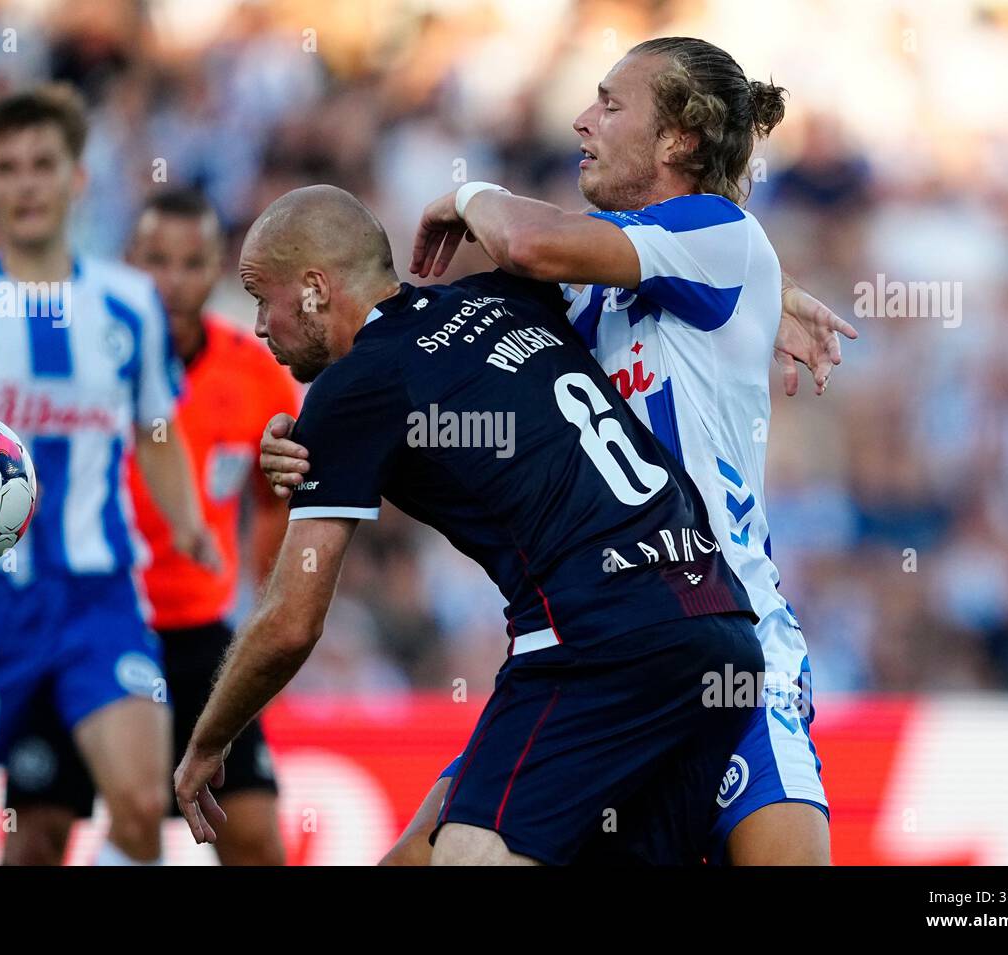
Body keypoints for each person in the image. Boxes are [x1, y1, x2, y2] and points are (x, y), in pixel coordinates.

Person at [261, 37, 855, 866]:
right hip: (605, 647)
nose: (582, 121)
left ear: (678, 138)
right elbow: (426, 368)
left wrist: (468, 192)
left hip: (735, 642)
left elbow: (532, 241)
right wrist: (313, 441)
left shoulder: (715, 235)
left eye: (610, 104)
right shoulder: (590, 281)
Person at [174, 184, 764, 866]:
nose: (258, 325)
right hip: (717, 627)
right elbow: (660, 268)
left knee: (464, 857)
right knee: (415, 859)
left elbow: (291, 622)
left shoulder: (357, 385)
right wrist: (774, 302)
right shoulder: (504, 296)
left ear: (313, 289)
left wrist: (208, 739)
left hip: (597, 637)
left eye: (260, 296)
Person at [0, 84, 217, 866]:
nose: (26, 183)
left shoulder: (130, 304)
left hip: (101, 597)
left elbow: (155, 429)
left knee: (140, 809)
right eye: (7, 167)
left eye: (43, 164)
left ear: (76, 178)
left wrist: (189, 522)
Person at [0, 188, 297, 866]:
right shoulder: (70, 363)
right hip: (77, 618)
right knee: (37, 835)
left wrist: (267, 608)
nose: (172, 281)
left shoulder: (258, 375)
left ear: (218, 270)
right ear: (127, 262)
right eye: (155, 261)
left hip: (196, 635)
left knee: (254, 838)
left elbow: (276, 500)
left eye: (192, 263)